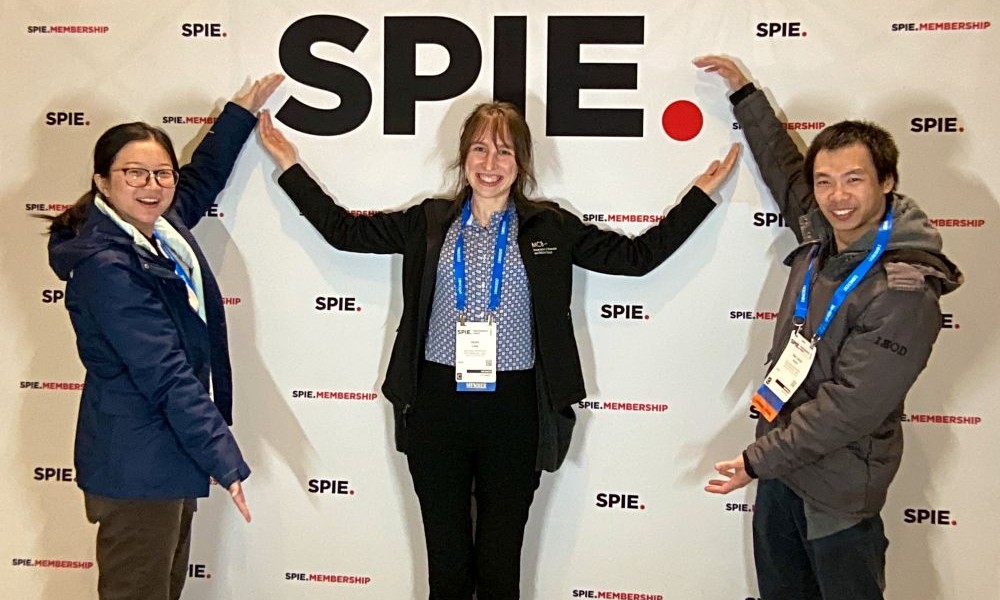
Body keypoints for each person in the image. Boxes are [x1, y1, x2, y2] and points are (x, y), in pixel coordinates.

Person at [258, 102, 738, 599]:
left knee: (499, 569)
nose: (490, 164)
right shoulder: (430, 221)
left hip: (515, 411)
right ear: (463, 156)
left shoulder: (549, 227)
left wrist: (700, 198)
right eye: (480, 149)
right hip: (436, 408)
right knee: (447, 570)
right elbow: (343, 232)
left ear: (522, 161)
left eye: (504, 151)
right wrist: (289, 164)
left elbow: (636, 258)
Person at [695, 56, 963, 599]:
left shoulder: (904, 287)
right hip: (781, 472)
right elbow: (784, 170)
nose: (837, 196)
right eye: (826, 182)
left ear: (887, 182)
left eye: (854, 180)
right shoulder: (822, 234)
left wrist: (756, 461)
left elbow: (851, 407)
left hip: (836, 490)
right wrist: (743, 93)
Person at [44, 74, 283, 600]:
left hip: (167, 452)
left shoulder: (159, 230)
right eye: (134, 173)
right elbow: (166, 373)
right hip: (136, 463)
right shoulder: (107, 266)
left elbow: (202, 178)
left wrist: (240, 113)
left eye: (161, 173)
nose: (151, 186)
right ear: (102, 181)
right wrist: (224, 458)